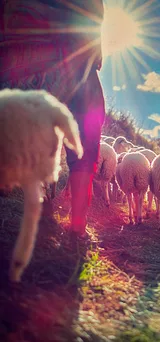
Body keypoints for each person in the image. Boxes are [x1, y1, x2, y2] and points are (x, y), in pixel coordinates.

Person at [0, 0, 105, 238]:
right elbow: (91, 22)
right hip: (64, 58)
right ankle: (78, 221)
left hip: (9, 60)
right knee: (90, 115)